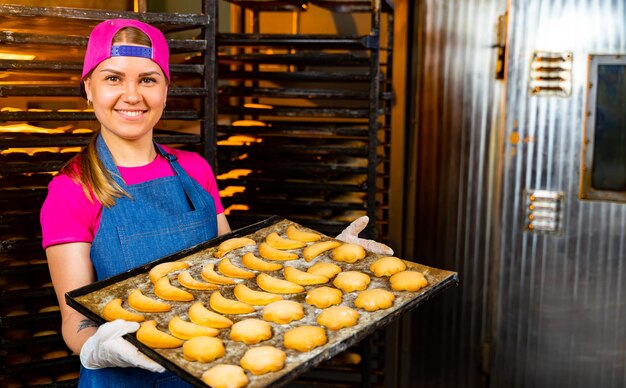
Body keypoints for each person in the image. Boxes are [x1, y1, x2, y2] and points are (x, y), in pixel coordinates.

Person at [40, 18, 392, 388]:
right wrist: (101, 349)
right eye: (113, 78)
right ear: (89, 89)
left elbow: (236, 271)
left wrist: (323, 257)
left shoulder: (195, 170)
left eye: (148, 79)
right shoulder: (71, 190)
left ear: (165, 90)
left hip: (211, 373)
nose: (132, 95)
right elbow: (73, 321)